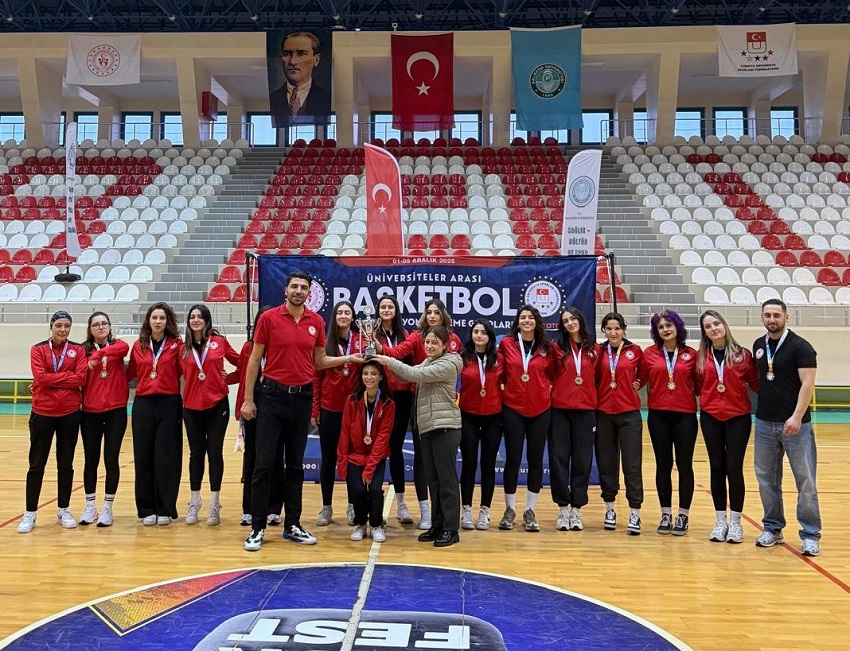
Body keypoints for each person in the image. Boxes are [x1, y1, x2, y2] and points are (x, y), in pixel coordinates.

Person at [241, 271, 361, 552]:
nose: (298, 291)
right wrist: (248, 400)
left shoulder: (316, 321)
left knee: (295, 466)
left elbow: (319, 361)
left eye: (303, 287)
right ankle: (257, 527)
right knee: (264, 464)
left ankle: (292, 524)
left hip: (302, 399)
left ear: (309, 293)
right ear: (286, 290)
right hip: (272, 397)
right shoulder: (269, 319)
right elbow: (255, 359)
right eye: (294, 286)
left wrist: (348, 358)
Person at [376, 298, 462, 530]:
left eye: (435, 343)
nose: (430, 346)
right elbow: (409, 370)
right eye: (428, 342)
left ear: (446, 344)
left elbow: (414, 375)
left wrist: (387, 360)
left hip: (444, 422)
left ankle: (449, 528)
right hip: (425, 416)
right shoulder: (425, 356)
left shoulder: (449, 360)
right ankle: (435, 523)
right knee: (431, 473)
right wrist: (380, 352)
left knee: (445, 478)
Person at [752, 299, 821, 557]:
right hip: (764, 423)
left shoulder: (801, 347)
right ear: (762, 318)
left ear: (786, 317)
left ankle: (811, 534)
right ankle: (773, 529)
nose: (772, 319)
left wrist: (796, 416)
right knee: (766, 480)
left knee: (805, 481)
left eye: (776, 315)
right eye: (767, 315)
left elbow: (807, 384)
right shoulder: (759, 346)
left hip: (795, 426)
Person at [18, 311, 87, 534]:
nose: (63, 329)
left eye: (67, 325)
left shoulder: (77, 350)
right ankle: (30, 512)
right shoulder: (38, 349)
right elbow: (40, 377)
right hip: (42, 413)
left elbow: (81, 378)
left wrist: (51, 379)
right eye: (59, 325)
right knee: (36, 464)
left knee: (65, 464)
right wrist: (66, 377)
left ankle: (64, 509)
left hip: (69, 413)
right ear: (51, 327)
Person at [696, 310, 759, 544]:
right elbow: (698, 385)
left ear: (724, 325)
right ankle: (720, 520)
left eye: (716, 323)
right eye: (708, 326)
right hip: (711, 417)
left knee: (734, 468)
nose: (713, 328)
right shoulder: (701, 357)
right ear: (704, 332)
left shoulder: (743, 355)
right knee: (716, 467)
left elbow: (756, 383)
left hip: (738, 418)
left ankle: (736, 522)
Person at [497, 305, 557, 533]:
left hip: (540, 409)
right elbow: (501, 374)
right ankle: (510, 509)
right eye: (522, 317)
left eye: (530, 317)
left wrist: (542, 390)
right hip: (513, 407)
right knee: (512, 459)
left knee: (535, 460)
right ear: (517, 322)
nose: (526, 320)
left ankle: (530, 510)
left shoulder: (547, 347)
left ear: (537, 321)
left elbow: (552, 375)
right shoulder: (507, 344)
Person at [639, 310, 699, 536]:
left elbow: (701, 383)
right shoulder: (649, 354)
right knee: (663, 465)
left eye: (669, 325)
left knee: (685, 465)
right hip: (658, 417)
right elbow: (638, 379)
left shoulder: (691, 354)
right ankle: (665, 514)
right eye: (661, 327)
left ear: (678, 327)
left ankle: (683, 515)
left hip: (685, 417)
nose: (665, 329)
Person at [181, 304, 240, 526]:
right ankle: (194, 501)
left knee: (215, 453)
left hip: (217, 405)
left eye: (200, 316)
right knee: (196, 454)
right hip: (191, 407)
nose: (196, 320)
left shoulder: (219, 342)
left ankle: (214, 503)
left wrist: (229, 379)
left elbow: (244, 363)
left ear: (207, 320)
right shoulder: (183, 348)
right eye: (192, 317)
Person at [127, 302, 183, 526]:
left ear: (168, 321)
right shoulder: (138, 345)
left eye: (162, 318)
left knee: (166, 458)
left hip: (169, 403)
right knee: (143, 456)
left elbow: (184, 371)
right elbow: (132, 373)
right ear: (148, 321)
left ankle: (164, 507)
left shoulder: (177, 344)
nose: (158, 321)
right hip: (143, 404)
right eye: (154, 318)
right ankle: (146, 508)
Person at [228, 307, 285, 527]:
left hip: (275, 406)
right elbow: (241, 374)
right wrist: (219, 379)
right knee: (251, 457)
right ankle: (249, 509)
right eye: (262, 322)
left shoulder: (281, 348)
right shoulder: (248, 347)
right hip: (252, 406)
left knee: (275, 457)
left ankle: (273, 508)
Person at [78, 311, 130, 528]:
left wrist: (99, 355)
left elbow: (124, 348)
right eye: (96, 324)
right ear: (90, 329)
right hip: (90, 412)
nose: (101, 327)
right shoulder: (82, 350)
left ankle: (108, 506)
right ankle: (90, 505)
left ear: (109, 327)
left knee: (111, 458)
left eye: (104, 323)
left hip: (116, 411)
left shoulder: (118, 346)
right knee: (91, 459)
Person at [594, 312, 644, 535]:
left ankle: (635, 513)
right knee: (607, 463)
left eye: (617, 328)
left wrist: (638, 382)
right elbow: (594, 377)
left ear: (624, 329)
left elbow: (644, 372)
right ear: (604, 331)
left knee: (632, 465)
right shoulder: (598, 351)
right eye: (609, 329)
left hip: (629, 414)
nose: (613, 333)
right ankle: (610, 509)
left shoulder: (635, 351)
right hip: (604, 413)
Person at [549, 306, 598, 532]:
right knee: (558, 459)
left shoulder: (594, 348)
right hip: (560, 409)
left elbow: (599, 377)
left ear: (580, 320)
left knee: (582, 460)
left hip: (586, 410)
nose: (570, 323)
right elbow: (548, 373)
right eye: (565, 321)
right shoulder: (556, 347)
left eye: (573, 318)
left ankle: (576, 509)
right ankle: (562, 509)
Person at [313, 300, 362, 527]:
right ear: (334, 317)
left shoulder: (361, 340)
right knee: (328, 459)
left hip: (354, 410)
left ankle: (352, 505)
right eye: (339, 312)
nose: (343, 316)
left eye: (347, 312)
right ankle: (326, 506)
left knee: (352, 458)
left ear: (353, 316)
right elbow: (316, 377)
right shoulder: (325, 342)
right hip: (329, 409)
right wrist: (315, 409)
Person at [338, 360, 395, 543]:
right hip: (355, 456)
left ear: (381, 377)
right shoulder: (352, 400)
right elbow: (345, 433)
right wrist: (342, 462)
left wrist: (369, 468)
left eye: (373, 374)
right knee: (358, 490)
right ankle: (361, 523)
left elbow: (383, 438)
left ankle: (376, 524)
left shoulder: (388, 404)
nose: (369, 377)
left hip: (376, 457)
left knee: (376, 490)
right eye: (365, 373)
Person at [373, 295, 415, 525]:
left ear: (396, 310)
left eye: (390, 306)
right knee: (377, 448)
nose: (387, 310)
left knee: (396, 448)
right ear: (378, 310)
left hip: (402, 396)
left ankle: (401, 504)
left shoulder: (405, 334)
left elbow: (408, 361)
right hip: (381, 396)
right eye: (383, 307)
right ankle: (373, 504)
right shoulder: (371, 333)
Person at [458, 319, 503, 531]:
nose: (479, 335)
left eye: (483, 332)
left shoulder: (499, 359)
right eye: (475, 331)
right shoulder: (462, 358)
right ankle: (466, 509)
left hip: (493, 417)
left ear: (489, 336)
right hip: (468, 416)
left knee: (488, 464)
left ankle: (485, 510)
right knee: (469, 463)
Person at [269, 31, 331, 128]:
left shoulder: (327, 97)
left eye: (301, 54)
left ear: (316, 60)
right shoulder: (272, 98)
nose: (292, 61)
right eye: (287, 54)